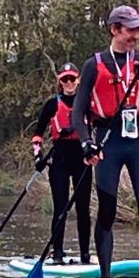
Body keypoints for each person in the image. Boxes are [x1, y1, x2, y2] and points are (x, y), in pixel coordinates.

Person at [72, 4, 139, 278]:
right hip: (108, 139)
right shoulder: (94, 64)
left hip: (138, 138)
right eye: (130, 30)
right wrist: (85, 143)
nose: (135, 35)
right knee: (106, 209)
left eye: (138, 30)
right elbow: (78, 113)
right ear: (115, 29)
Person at [30, 62, 92, 266]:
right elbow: (37, 135)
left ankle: (85, 255)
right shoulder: (52, 104)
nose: (68, 83)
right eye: (64, 79)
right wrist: (38, 157)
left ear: (78, 80)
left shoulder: (87, 103)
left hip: (82, 157)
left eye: (72, 79)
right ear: (60, 82)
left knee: (83, 208)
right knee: (60, 208)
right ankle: (57, 253)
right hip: (59, 158)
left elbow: (98, 127)